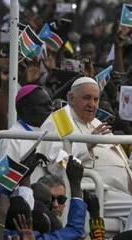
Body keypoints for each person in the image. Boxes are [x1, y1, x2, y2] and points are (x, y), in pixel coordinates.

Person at [37, 76, 132, 223]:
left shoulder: (96, 122)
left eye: (95, 99)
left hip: (121, 191)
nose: (92, 104)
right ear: (71, 97)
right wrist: (87, 145)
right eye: (87, 98)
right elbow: (56, 166)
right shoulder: (60, 120)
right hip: (95, 191)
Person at [0, 84, 53, 163]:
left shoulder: (52, 132)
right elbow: (2, 175)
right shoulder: (12, 138)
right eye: (43, 105)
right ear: (24, 109)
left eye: (50, 104)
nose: (51, 109)